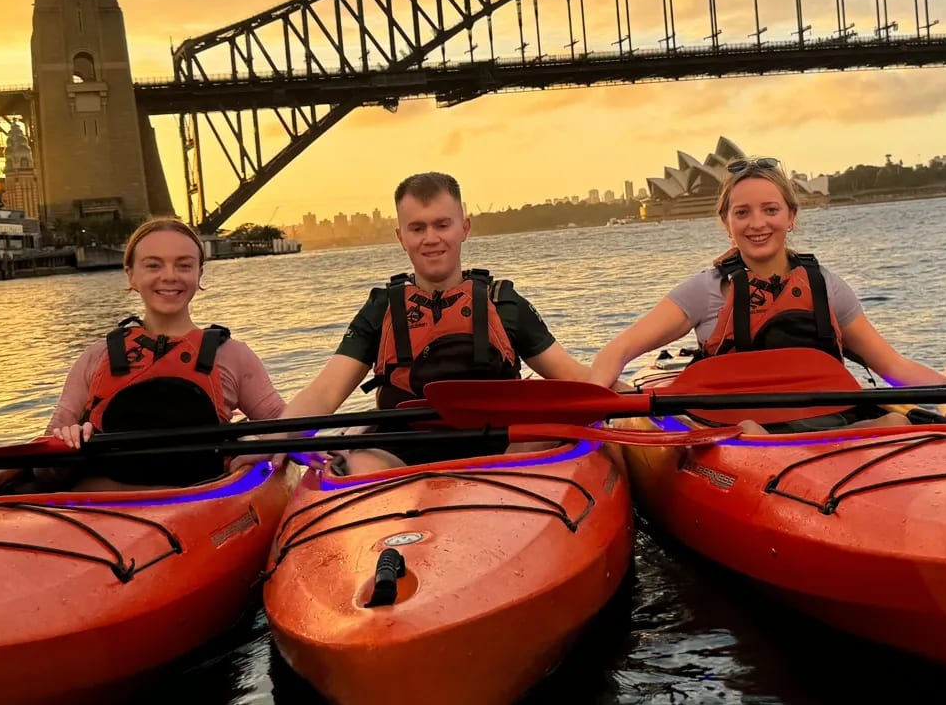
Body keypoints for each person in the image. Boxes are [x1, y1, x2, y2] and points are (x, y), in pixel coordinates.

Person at [586, 157, 946, 424]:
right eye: (742, 213)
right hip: (747, 434)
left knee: (895, 422)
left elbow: (892, 366)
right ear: (726, 223)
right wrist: (598, 399)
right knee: (750, 430)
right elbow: (619, 349)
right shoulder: (706, 290)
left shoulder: (826, 287)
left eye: (770, 210)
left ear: (790, 217)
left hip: (825, 422)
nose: (757, 223)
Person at [279, 171, 589, 470]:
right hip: (402, 451)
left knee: (546, 435)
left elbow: (573, 378)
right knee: (358, 463)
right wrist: (272, 439)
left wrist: (626, 397)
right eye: (417, 228)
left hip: (500, 448)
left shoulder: (504, 305)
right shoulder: (380, 309)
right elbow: (325, 392)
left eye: (442, 225)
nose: (431, 238)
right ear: (401, 237)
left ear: (464, 228)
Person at [47, 216, 285, 485]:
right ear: (131, 275)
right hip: (104, 506)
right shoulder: (95, 358)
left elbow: (285, 425)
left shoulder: (233, 356)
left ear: (199, 273)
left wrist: (275, 451)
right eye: (153, 266)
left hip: (200, 504)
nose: (170, 276)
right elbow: (47, 452)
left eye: (184, 265)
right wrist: (70, 437)